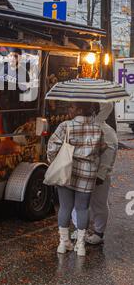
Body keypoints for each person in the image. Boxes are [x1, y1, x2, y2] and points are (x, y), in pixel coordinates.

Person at [47, 102, 107, 257]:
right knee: (82, 208)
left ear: (80, 109)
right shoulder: (97, 128)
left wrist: (53, 161)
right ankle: (80, 245)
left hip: (67, 171)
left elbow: (52, 146)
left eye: (71, 107)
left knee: (65, 207)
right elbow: (102, 148)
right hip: (87, 173)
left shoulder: (65, 126)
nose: (69, 110)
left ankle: (63, 243)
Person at [71, 103, 118, 244]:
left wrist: (101, 175)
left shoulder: (107, 131)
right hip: (83, 173)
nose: (93, 111)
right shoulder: (87, 126)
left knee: (98, 203)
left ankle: (98, 232)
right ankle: (80, 228)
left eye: (95, 108)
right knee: (80, 203)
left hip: (98, 176)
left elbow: (109, 154)